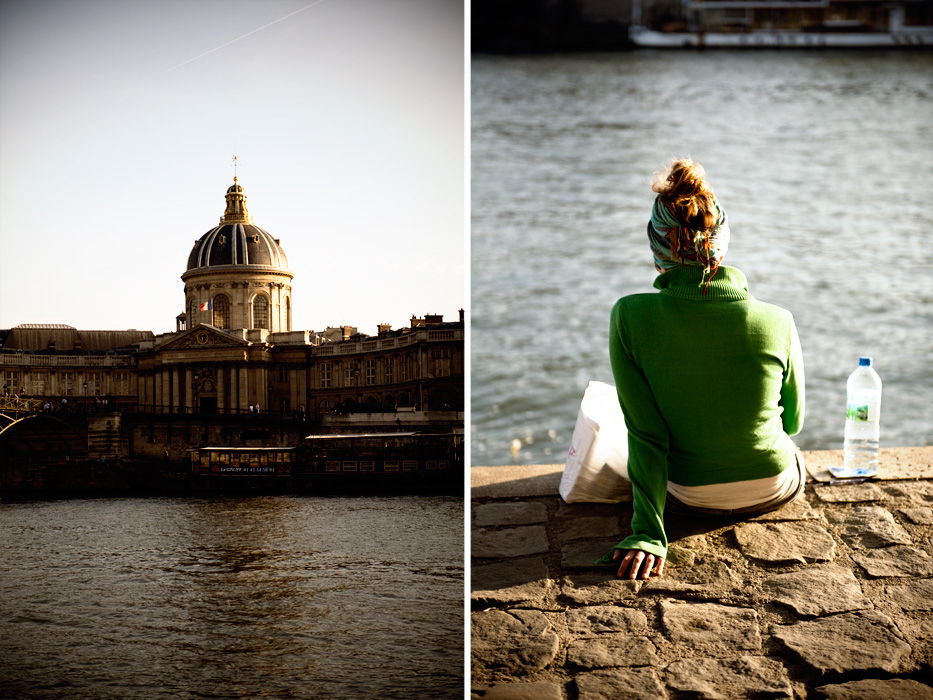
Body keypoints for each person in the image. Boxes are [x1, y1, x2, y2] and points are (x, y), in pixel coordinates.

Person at [599, 158, 805, 581]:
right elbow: (795, 421)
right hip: (773, 486)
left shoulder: (630, 316)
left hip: (688, 497)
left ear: (659, 249)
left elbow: (646, 436)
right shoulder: (779, 319)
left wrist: (648, 534)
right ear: (721, 245)